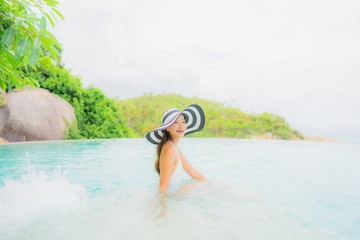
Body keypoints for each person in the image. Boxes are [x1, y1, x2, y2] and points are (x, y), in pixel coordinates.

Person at [146, 104, 206, 193]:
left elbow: (193, 172)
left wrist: (210, 183)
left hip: (175, 195)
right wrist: (162, 207)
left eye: (183, 121)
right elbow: (162, 189)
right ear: (167, 128)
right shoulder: (169, 149)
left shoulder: (174, 147)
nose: (181, 126)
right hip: (172, 199)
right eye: (175, 122)